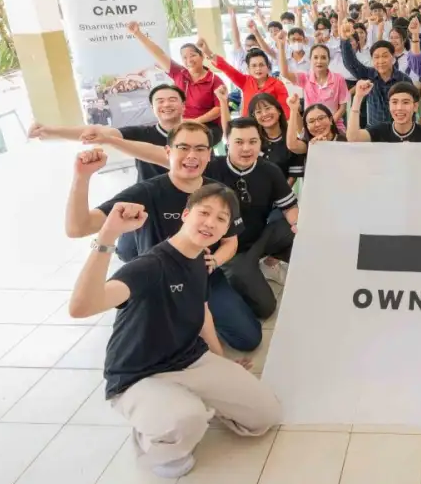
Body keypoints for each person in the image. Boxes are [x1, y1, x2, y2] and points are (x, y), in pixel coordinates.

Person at [68, 184, 281, 479]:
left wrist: (221, 361)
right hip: (137, 374)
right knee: (183, 430)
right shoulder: (149, 266)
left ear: (225, 231)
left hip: (189, 360)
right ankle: (152, 434)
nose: (210, 222)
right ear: (185, 215)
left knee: (265, 415)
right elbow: (81, 307)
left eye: (221, 219)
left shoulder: (200, 260)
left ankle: (182, 403)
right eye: (204, 212)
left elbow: (203, 314)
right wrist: (107, 237)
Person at [64, 123, 261, 352]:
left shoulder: (219, 194)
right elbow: (78, 228)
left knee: (248, 338)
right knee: (161, 344)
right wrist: (82, 177)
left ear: (209, 155)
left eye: (200, 149)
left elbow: (230, 241)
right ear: (168, 152)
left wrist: (215, 261)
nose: (191, 156)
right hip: (157, 283)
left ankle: (198, 321)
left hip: (203, 278)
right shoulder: (146, 192)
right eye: (183, 147)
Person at [96, 115, 300, 322]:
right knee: (264, 308)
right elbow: (155, 153)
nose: (246, 148)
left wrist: (296, 224)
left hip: (253, 238)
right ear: (227, 143)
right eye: (239, 142)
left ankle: (265, 264)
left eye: (252, 142)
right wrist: (111, 140)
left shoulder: (269, 170)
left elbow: (289, 206)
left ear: (260, 143)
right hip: (227, 248)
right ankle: (232, 281)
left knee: (295, 229)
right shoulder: (205, 166)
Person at [29, 84, 186, 183]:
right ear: (152, 108)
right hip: (151, 200)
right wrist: (49, 130)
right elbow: (98, 132)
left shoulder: (197, 133)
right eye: (160, 101)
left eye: (172, 100)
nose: (166, 104)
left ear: (183, 105)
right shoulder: (140, 133)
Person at [127, 21, 224, 145]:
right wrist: (138, 34)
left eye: (193, 55)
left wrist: (195, 121)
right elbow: (159, 53)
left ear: (202, 56)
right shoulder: (179, 73)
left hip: (207, 126)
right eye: (184, 57)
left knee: (190, 141)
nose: (189, 60)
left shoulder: (214, 80)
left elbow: (219, 109)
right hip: (180, 124)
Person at [198, 38, 291, 120]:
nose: (258, 69)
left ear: (268, 67)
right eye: (254, 66)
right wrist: (207, 52)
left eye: (261, 65)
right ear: (248, 69)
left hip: (270, 125)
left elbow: (285, 112)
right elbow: (227, 68)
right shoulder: (245, 81)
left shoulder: (277, 84)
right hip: (247, 126)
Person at [340, 25, 413, 127]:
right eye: (376, 57)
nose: (381, 61)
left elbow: (411, 109)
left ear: (393, 58)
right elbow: (351, 64)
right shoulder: (369, 75)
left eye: (385, 56)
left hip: (397, 130)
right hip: (373, 130)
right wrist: (344, 40)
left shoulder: (404, 80)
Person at [275, 38, 347, 132]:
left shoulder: (339, 79)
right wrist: (281, 47)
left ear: (329, 60)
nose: (319, 61)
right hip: (312, 127)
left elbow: (342, 108)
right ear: (310, 60)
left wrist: (328, 125)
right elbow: (285, 73)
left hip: (334, 125)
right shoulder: (305, 78)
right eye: (315, 57)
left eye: (323, 57)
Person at [243, 92, 304, 184]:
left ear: (279, 111)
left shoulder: (293, 143)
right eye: (258, 112)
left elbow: (292, 178)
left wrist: (281, 191)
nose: (264, 114)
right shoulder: (251, 140)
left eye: (268, 108)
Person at [348, 80, 421, 143]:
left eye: (405, 102)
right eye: (394, 102)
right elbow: (353, 138)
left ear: (415, 106)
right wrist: (358, 97)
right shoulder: (380, 131)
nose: (399, 108)